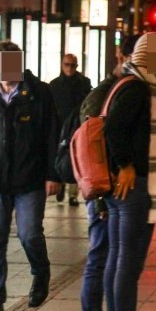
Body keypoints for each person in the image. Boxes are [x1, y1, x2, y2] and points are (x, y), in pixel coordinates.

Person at [75, 35, 156, 311]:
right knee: (127, 261)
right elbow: (115, 129)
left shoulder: (133, 83)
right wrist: (126, 165)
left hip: (127, 188)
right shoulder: (137, 87)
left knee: (119, 259)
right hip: (133, 187)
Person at [0, 40, 62, 311]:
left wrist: (52, 174)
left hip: (29, 178)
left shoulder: (40, 93)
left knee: (29, 234)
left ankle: (40, 274)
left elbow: (51, 136)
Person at [48, 53, 92, 206]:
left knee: (75, 158)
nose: (70, 68)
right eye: (67, 65)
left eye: (72, 65)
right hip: (60, 126)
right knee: (61, 156)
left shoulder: (84, 83)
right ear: (62, 65)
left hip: (76, 126)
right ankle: (60, 182)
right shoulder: (54, 85)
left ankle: (72, 192)